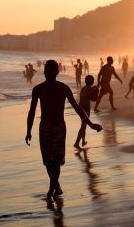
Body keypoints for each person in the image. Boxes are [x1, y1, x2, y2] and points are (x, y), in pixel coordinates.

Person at [26, 60, 102, 199]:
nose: (48, 72)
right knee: (48, 161)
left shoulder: (63, 88)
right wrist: (28, 130)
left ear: (57, 72)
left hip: (59, 127)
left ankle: (51, 189)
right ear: (44, 72)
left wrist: (90, 124)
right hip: (44, 128)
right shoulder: (38, 89)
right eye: (47, 70)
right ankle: (56, 186)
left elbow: (77, 108)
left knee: (55, 160)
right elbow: (31, 111)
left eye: (51, 70)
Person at [74, 75, 98, 148]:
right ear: (92, 82)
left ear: (85, 81)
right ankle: (77, 143)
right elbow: (94, 99)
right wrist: (97, 91)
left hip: (80, 108)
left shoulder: (83, 88)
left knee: (83, 125)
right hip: (86, 109)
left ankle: (83, 141)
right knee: (83, 126)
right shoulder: (92, 89)